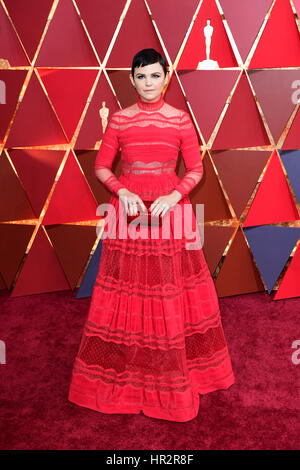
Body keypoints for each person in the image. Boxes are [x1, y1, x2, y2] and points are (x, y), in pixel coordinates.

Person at [68, 48, 235, 422]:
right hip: (128, 213)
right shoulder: (119, 120)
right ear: (131, 80)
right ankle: (128, 368)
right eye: (141, 76)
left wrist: (174, 195)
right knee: (127, 286)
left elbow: (195, 168)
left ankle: (174, 370)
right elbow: (100, 165)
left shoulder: (180, 120)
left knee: (170, 286)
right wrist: (121, 191)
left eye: (155, 76)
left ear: (166, 77)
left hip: (170, 212)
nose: (148, 83)